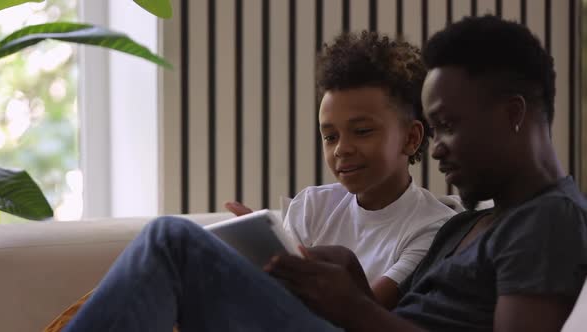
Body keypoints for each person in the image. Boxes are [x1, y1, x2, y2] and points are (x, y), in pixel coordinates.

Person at [64, 15, 587, 332]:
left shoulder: (548, 220)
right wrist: (346, 280)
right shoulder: (470, 223)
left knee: (172, 241)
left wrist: (353, 308)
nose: (438, 148)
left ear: (513, 114)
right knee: (186, 255)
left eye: (447, 126)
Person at [227, 31, 455, 309]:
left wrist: (282, 266)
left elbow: (368, 313)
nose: (341, 149)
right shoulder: (311, 206)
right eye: (330, 137)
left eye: (361, 131)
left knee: (172, 234)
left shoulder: (434, 227)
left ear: (411, 138)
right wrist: (260, 251)